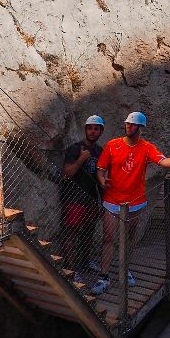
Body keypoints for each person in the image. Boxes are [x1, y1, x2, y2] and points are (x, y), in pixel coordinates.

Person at [91, 112, 170, 296]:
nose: (129, 127)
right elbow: (101, 168)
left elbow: (161, 159)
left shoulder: (146, 147)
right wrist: (102, 181)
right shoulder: (113, 145)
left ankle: (125, 269)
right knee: (108, 237)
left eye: (133, 125)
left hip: (134, 201)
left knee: (129, 236)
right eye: (127, 124)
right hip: (112, 199)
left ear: (140, 128)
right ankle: (104, 277)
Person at [60, 115, 105, 270]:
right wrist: (81, 159)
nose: (92, 132)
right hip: (73, 198)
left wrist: (102, 202)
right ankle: (70, 269)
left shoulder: (101, 152)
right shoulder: (74, 148)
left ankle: (85, 263)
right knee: (71, 232)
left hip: (91, 199)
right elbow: (66, 174)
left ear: (101, 132)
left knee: (88, 232)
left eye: (96, 129)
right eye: (90, 128)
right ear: (85, 129)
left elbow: (101, 179)